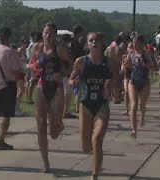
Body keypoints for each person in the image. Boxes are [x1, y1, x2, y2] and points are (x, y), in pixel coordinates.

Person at [69, 32, 112, 180]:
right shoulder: (80, 62)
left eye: (96, 41)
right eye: (91, 41)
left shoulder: (108, 62)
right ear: (87, 44)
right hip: (85, 104)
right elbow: (71, 78)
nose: (94, 43)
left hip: (102, 104)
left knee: (97, 139)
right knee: (86, 147)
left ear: (101, 44)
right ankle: (97, 162)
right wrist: (73, 82)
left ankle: (94, 174)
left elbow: (116, 80)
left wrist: (111, 86)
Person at [0, 27, 34, 150]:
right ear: (9, 37)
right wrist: (31, 66)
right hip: (7, 85)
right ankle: (1, 141)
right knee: (6, 115)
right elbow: (18, 68)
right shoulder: (9, 52)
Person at [32, 22, 70, 173]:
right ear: (42, 34)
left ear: (55, 35)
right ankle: (46, 163)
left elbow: (71, 65)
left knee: (53, 133)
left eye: (51, 33)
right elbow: (34, 65)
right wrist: (35, 68)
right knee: (41, 125)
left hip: (57, 87)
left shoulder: (59, 48)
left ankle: (58, 124)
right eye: (46, 33)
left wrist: (61, 74)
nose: (48, 36)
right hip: (42, 85)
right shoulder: (37, 48)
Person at [123, 34, 156, 138]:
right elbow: (126, 64)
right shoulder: (131, 53)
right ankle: (134, 130)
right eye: (133, 43)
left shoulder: (147, 54)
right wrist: (124, 64)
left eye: (136, 43)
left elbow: (154, 67)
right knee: (133, 105)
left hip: (144, 82)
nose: (134, 45)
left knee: (142, 105)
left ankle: (142, 116)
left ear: (142, 44)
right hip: (133, 81)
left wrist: (144, 64)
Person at [105, 34, 123, 104]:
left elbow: (105, 55)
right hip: (116, 66)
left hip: (109, 65)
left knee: (108, 82)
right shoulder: (118, 48)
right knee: (116, 82)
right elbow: (120, 59)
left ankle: (108, 96)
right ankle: (116, 98)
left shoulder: (109, 47)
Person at [15, 37, 30, 116]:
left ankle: (17, 107)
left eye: (28, 42)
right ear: (22, 43)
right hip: (18, 73)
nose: (27, 44)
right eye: (26, 43)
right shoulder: (19, 51)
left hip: (22, 73)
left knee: (20, 91)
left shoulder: (25, 52)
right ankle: (15, 107)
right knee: (21, 90)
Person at [26, 31, 43, 104]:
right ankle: (30, 98)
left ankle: (30, 98)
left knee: (32, 82)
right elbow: (37, 55)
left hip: (32, 64)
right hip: (35, 65)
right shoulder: (37, 45)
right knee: (32, 82)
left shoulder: (33, 45)